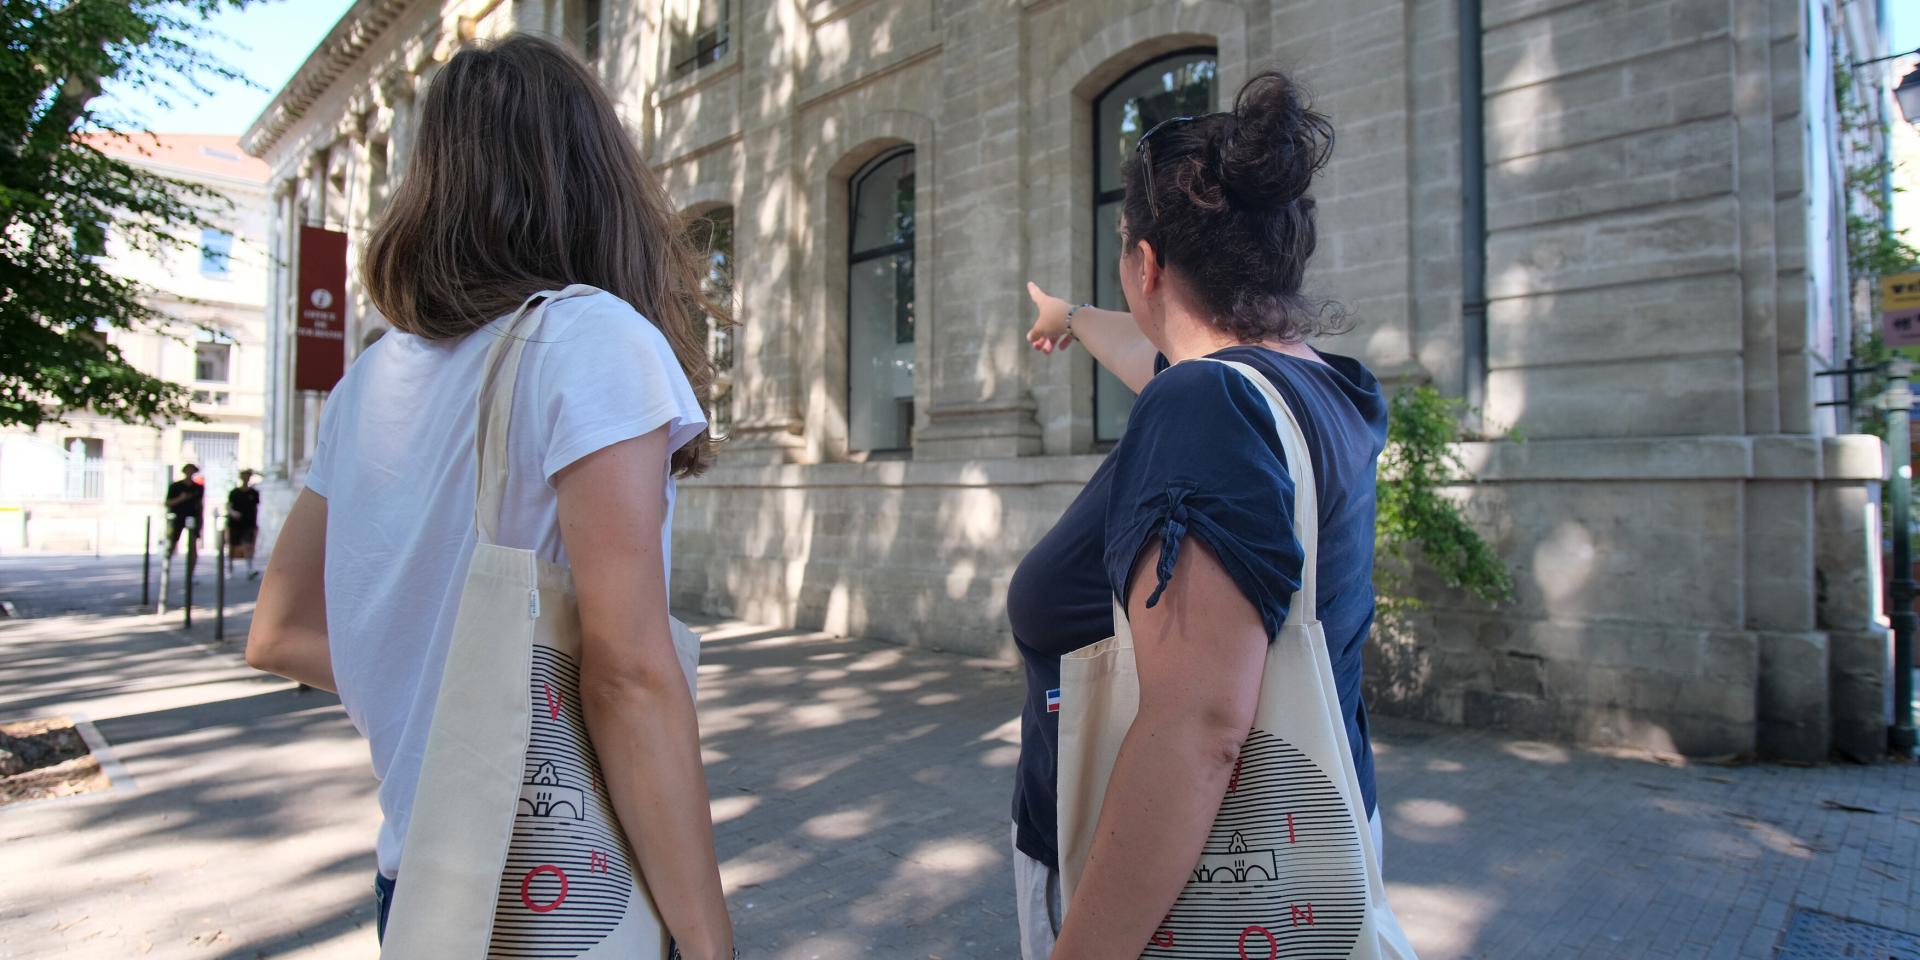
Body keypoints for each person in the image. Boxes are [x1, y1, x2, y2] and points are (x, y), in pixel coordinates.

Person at [243, 35, 734, 959]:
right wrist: (710, 940)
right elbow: (628, 676)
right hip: (559, 893)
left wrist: (436, 690)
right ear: (595, 175)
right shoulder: (591, 339)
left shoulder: (369, 380)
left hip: (418, 878)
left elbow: (279, 631)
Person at [1005, 71, 1389, 959]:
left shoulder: (1207, 410)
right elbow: (1173, 360)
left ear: (1148, 263)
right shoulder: (1316, 388)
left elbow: (1199, 729)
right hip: (1309, 840)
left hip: (1179, 882)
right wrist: (1077, 316)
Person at [162, 463, 204, 562]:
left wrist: (200, 520)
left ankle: (191, 573)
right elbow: (168, 502)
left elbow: (200, 504)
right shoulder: (175, 486)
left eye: (192, 470)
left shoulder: (198, 487)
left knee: (193, 544)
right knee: (172, 542)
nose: (190, 473)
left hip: (193, 517)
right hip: (178, 517)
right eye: (188, 470)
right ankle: (166, 567)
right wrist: (180, 499)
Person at [226, 469, 260, 580]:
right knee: (232, 546)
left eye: (248, 476)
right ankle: (230, 568)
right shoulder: (234, 492)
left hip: (249, 523)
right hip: (235, 524)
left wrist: (255, 525)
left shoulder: (254, 493)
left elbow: (255, 508)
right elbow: (229, 507)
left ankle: (249, 568)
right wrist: (233, 513)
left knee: (248, 545)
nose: (246, 479)